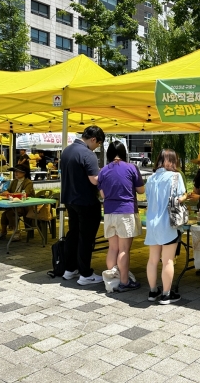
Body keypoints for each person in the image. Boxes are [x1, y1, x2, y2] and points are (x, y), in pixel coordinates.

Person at [60, 125, 105, 286]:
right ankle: (85, 274)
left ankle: (69, 269)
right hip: (86, 202)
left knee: (73, 234)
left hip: (69, 200)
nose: (97, 147)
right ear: (93, 139)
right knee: (86, 238)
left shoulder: (66, 151)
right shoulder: (88, 154)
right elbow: (94, 179)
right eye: (98, 144)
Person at [98, 141, 145, 292]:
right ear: (124, 153)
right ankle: (124, 282)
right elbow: (141, 190)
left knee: (113, 248)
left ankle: (112, 280)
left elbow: (103, 194)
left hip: (109, 212)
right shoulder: (131, 168)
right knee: (124, 249)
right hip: (126, 212)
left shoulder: (103, 171)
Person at [144, 149, 186, 304]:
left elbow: (148, 199)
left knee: (153, 260)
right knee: (167, 260)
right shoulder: (175, 176)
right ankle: (166, 294)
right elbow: (179, 198)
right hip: (167, 223)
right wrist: (186, 196)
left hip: (152, 223)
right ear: (173, 161)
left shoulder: (151, 178)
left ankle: (153, 291)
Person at [0, 164, 35, 241]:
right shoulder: (14, 181)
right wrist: (5, 192)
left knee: (10, 213)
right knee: (4, 214)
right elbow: (8, 190)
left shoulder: (28, 182)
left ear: (24, 173)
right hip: (14, 204)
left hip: (25, 205)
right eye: (15, 171)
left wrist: (9, 194)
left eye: (18, 172)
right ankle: (3, 232)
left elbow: (25, 194)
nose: (16, 173)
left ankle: (16, 232)